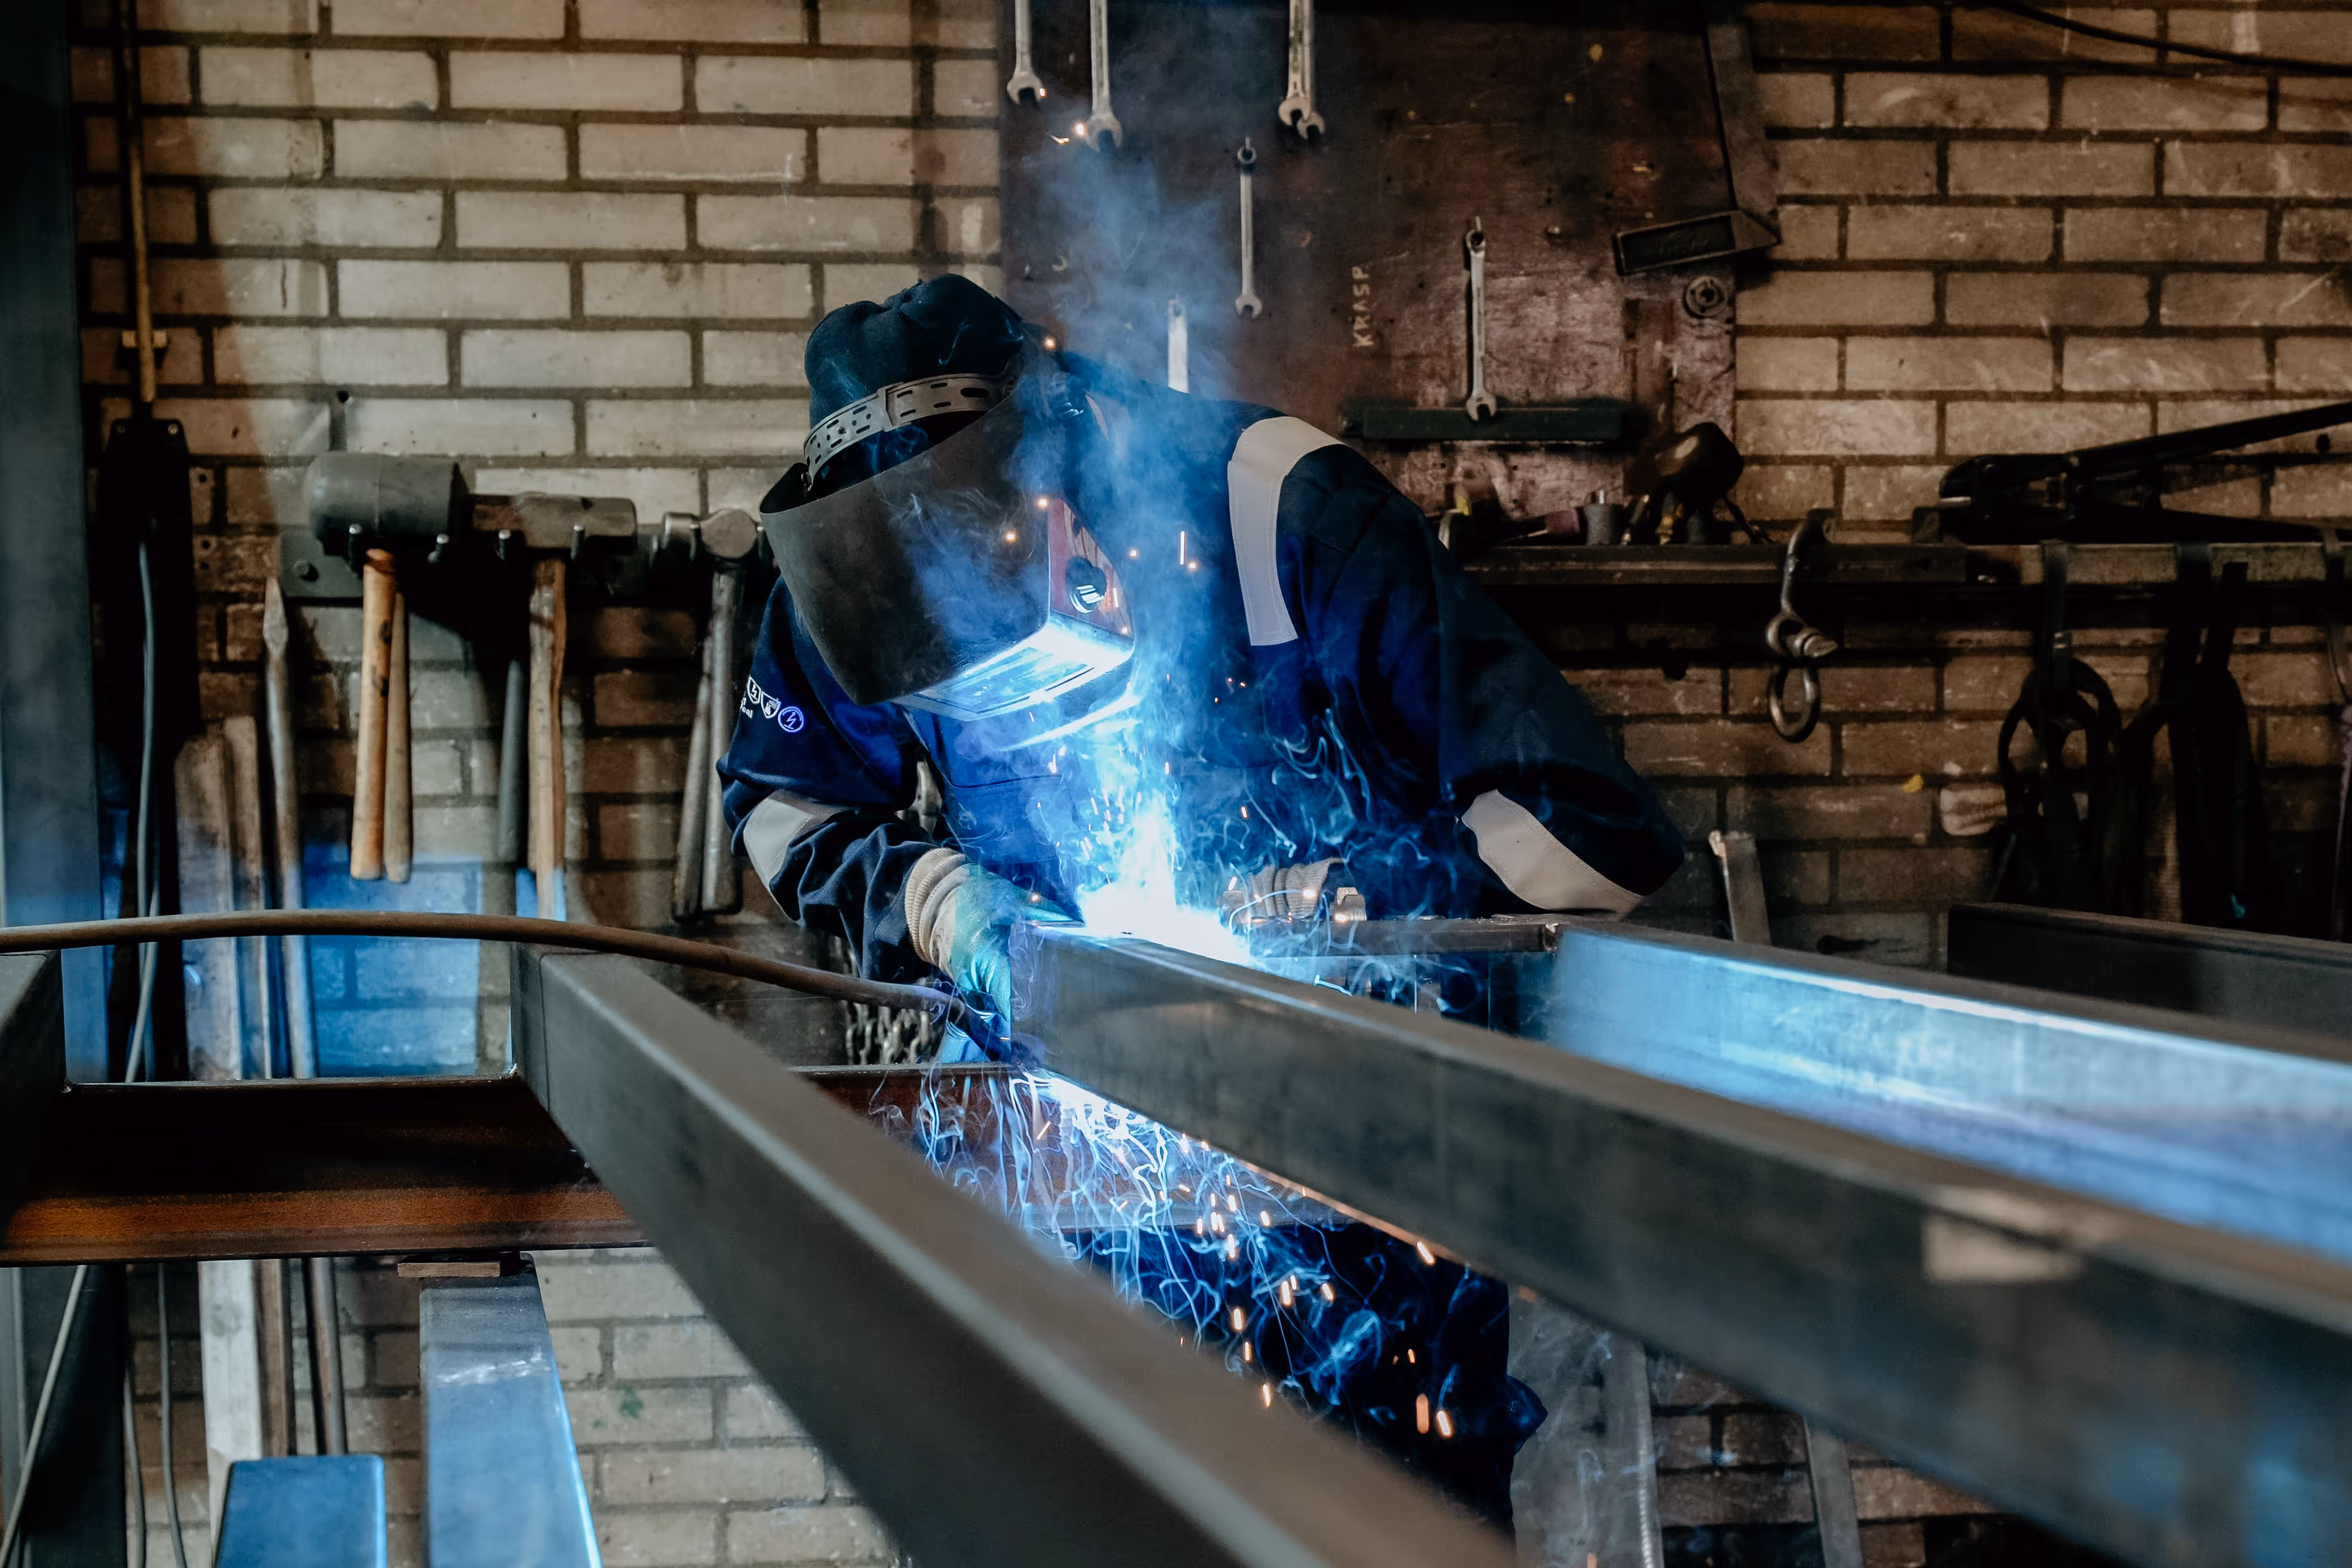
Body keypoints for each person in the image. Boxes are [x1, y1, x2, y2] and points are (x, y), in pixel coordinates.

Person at [719, 274, 1686, 1525]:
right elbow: (787, 807)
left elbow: (1588, 831)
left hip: (1366, 1196)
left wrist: (1345, 905)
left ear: (1069, 482)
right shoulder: (868, 567)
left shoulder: (1279, 508)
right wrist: (943, 906)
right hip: (1069, 1168)